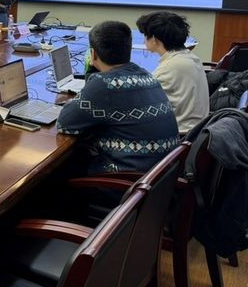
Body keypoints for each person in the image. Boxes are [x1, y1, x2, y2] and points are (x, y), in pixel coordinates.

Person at [57, 21, 179, 174]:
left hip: (128, 179)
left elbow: (64, 124)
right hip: (160, 175)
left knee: (60, 169)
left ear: (93, 54)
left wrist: (91, 78)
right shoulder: (145, 75)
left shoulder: (104, 85)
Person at [136, 11, 210, 134]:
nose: (144, 40)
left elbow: (143, 106)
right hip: (196, 131)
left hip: (179, 135)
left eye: (145, 35)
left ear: (154, 39)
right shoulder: (190, 58)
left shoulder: (169, 68)